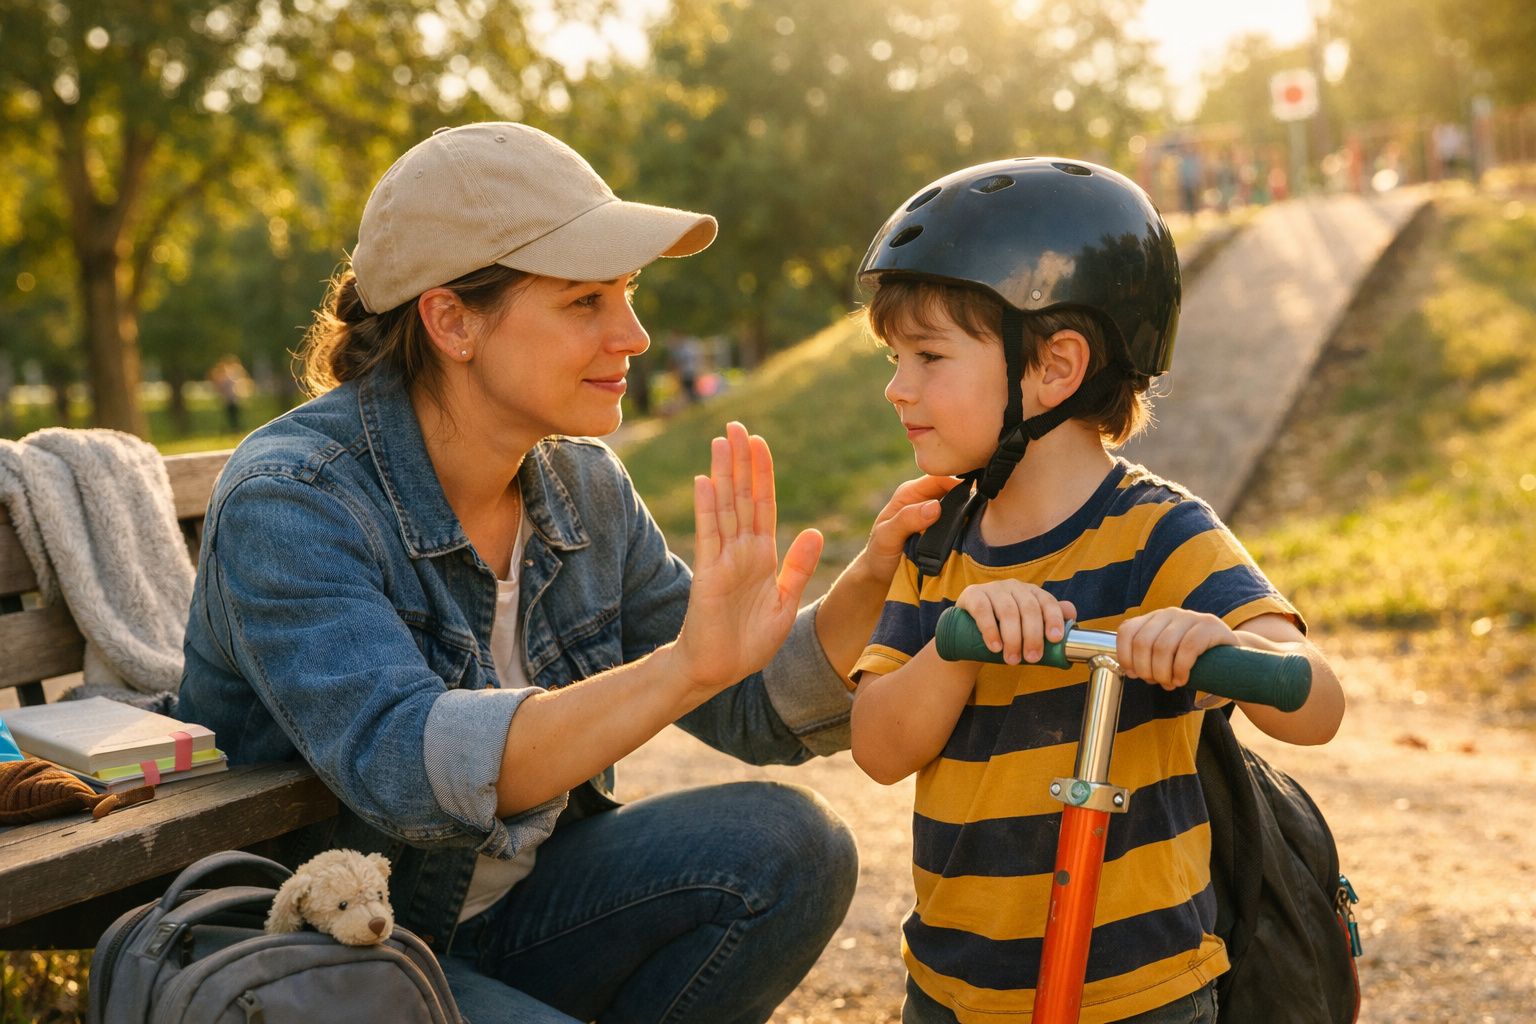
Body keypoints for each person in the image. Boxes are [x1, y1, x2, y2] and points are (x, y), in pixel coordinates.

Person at [176, 122, 952, 1023]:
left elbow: (744, 703)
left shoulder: (581, 484)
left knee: (792, 844)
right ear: (452, 321)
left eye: (626, 293)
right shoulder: (294, 499)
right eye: (585, 301)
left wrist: (873, 578)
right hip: (329, 952)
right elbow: (409, 769)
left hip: (512, 914)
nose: (635, 334)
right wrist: (684, 665)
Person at [845, 158, 1346, 1024]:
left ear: (1054, 367)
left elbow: (1316, 701)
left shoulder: (1162, 534)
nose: (897, 387)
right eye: (896, 358)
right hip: (957, 988)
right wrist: (955, 645)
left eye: (928, 356)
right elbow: (879, 748)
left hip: (1142, 990)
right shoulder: (939, 537)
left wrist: (1223, 650)